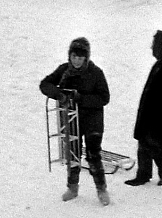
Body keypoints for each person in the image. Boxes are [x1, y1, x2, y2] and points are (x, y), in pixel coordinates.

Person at [40, 37, 111, 205]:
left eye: (81, 58)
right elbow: (45, 84)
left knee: (94, 154)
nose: (77, 61)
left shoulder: (96, 73)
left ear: (86, 58)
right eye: (74, 57)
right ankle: (72, 187)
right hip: (71, 118)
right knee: (72, 153)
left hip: (92, 120)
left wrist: (81, 98)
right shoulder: (64, 71)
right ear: (69, 56)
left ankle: (101, 189)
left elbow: (104, 97)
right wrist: (59, 94)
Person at [125, 30, 162, 187]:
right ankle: (143, 174)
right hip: (150, 113)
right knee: (144, 144)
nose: (152, 48)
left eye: (155, 46)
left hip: (157, 116)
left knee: (155, 146)